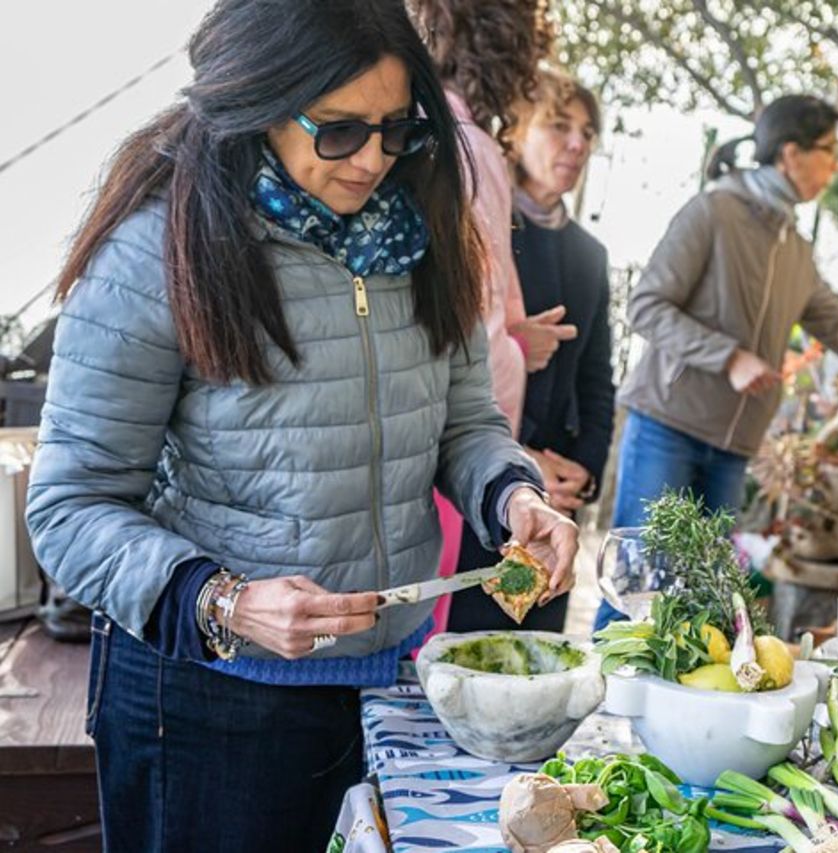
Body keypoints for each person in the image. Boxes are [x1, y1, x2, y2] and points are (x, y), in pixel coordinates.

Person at [23, 2, 577, 850]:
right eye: (339, 132)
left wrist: (512, 497)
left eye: (398, 130)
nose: (372, 161)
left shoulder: (429, 230)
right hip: (209, 692)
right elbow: (70, 505)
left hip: (387, 683)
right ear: (256, 104)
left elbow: (465, 422)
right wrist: (226, 601)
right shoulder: (159, 249)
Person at [603, 94, 838, 627]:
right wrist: (728, 358)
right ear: (790, 154)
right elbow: (647, 305)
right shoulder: (712, 211)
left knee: (698, 607)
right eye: (830, 151)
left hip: (733, 450)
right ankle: (607, 706)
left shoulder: (793, 247)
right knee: (639, 590)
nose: (836, 166)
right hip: (668, 428)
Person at [405, 0, 571, 633]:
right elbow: (476, 332)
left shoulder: (411, 127)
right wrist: (513, 462)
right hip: (461, 472)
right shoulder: (468, 149)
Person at [450, 71, 616, 632]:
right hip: (484, 487)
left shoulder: (591, 255)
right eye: (559, 125)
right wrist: (519, 465)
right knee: (468, 654)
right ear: (514, 131)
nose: (578, 143)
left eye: (588, 132)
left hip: (558, 496)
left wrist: (584, 474)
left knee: (531, 662)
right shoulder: (479, 220)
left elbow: (597, 379)